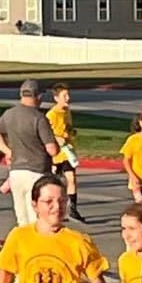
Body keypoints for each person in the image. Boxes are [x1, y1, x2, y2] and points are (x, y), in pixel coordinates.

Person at [0, 79, 59, 226]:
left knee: (22, 218)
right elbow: (52, 150)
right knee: (36, 218)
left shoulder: (9, 114)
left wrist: (7, 151)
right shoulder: (39, 118)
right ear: (38, 96)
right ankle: (38, 247)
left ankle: (23, 246)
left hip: (16, 173)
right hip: (37, 172)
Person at [45, 82, 87, 222]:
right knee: (55, 181)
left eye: (68, 95)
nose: (67, 98)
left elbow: (68, 128)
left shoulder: (67, 111)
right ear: (56, 98)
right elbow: (47, 132)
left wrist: (71, 132)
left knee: (71, 179)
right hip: (57, 152)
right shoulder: (52, 114)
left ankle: (73, 209)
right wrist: (58, 138)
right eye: (64, 95)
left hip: (68, 151)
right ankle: (53, 208)